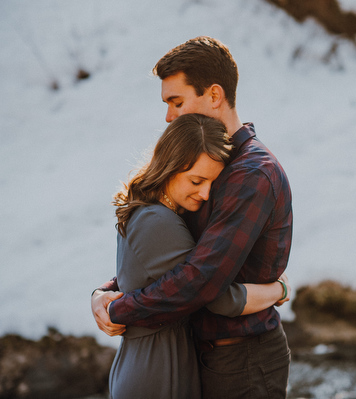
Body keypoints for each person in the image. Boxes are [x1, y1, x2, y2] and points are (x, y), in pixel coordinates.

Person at [92, 36, 293, 398]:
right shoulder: (204, 167)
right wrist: (105, 292)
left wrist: (122, 307)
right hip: (203, 352)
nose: (169, 116)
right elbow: (172, 257)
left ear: (214, 96)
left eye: (176, 101)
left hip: (242, 356)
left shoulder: (251, 174)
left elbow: (201, 279)